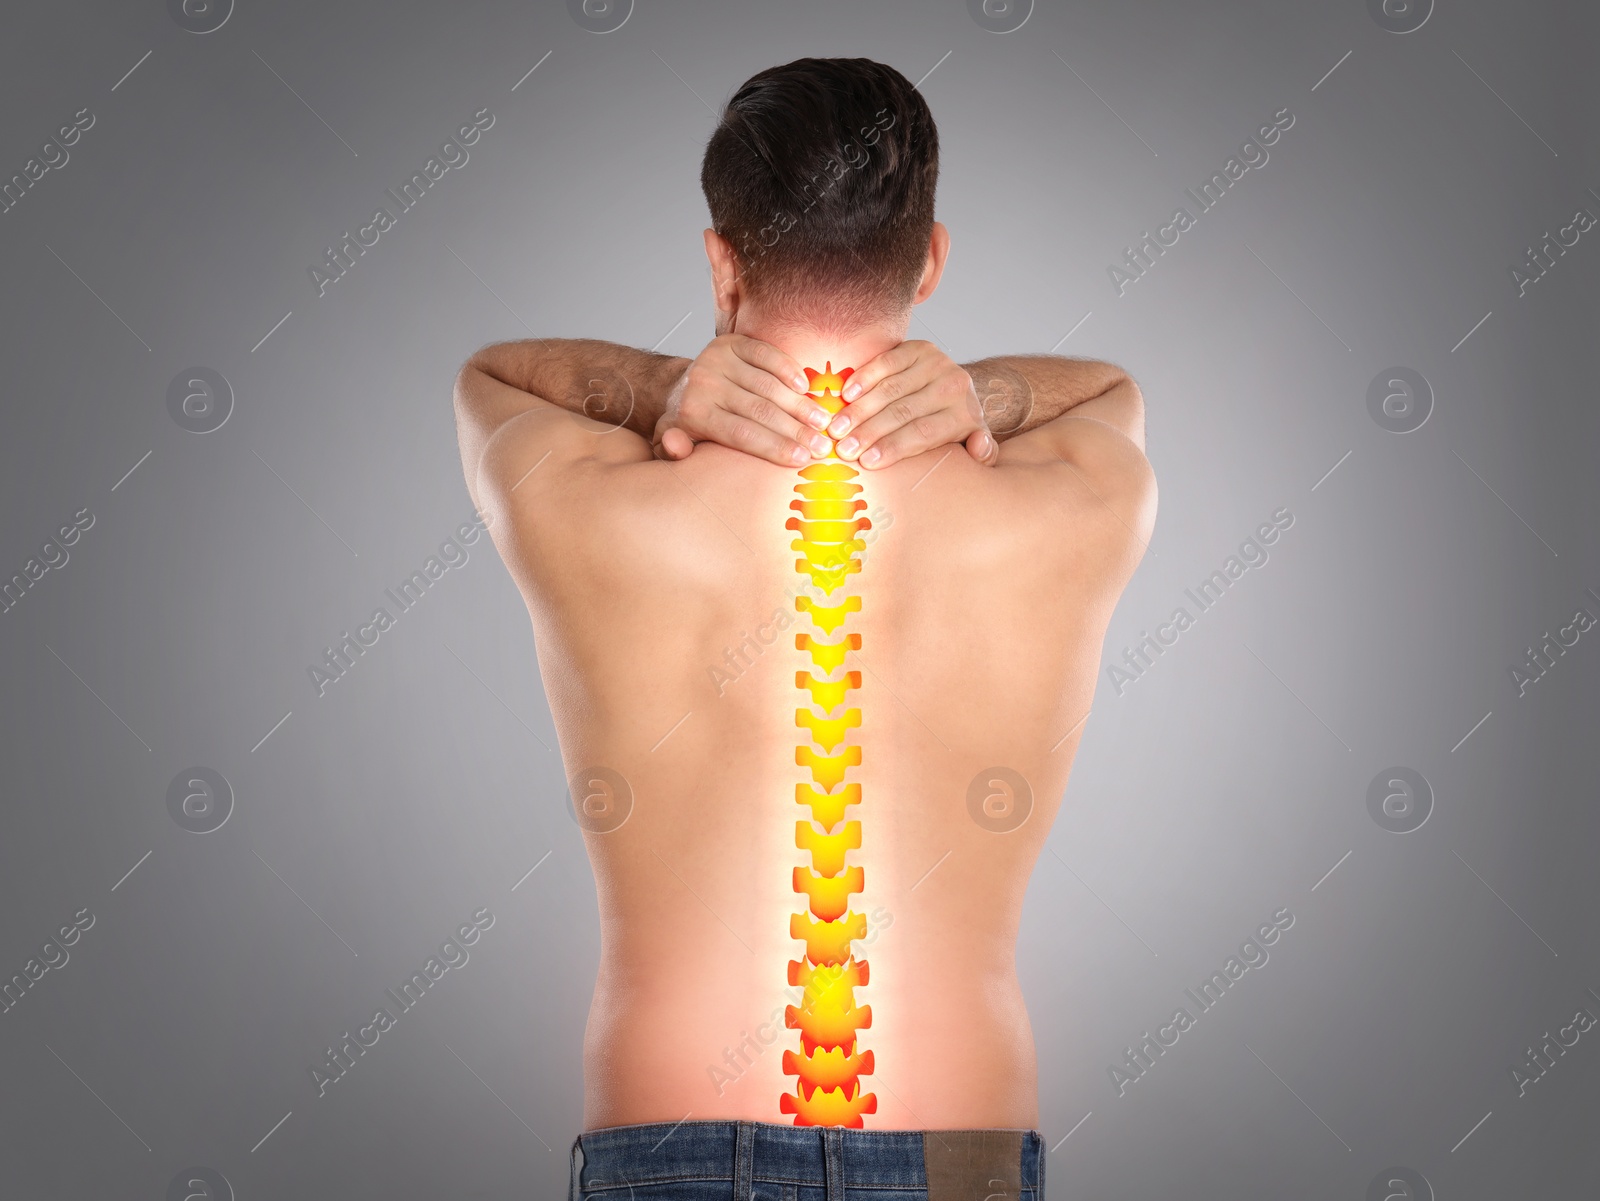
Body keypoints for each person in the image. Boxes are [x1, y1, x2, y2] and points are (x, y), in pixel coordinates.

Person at [453, 56, 1155, 1201]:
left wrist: (667, 383)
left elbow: (489, 377)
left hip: (671, 1149)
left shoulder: (590, 498)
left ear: (721, 262)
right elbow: (1112, 390)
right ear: (929, 260)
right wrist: (982, 395)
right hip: (959, 1161)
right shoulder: (1073, 494)